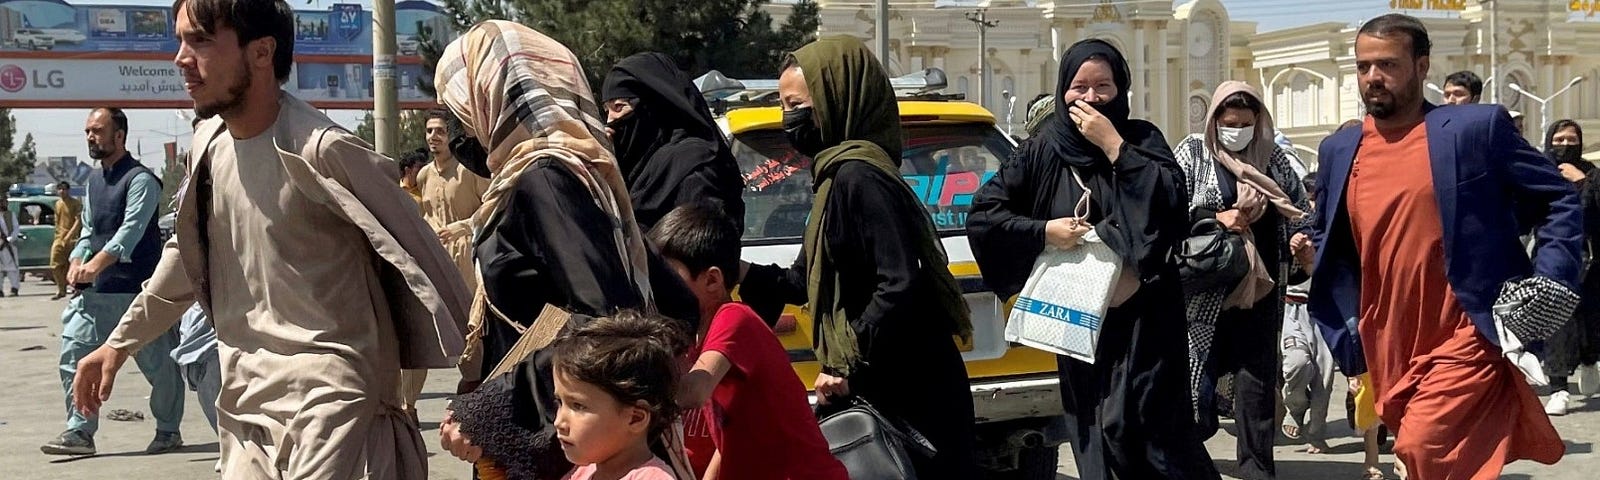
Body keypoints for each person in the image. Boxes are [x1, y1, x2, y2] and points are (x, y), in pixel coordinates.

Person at [70, 1, 472, 477]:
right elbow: (186, 255)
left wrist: (479, 384)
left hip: (332, 413)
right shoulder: (208, 147)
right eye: (179, 40)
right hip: (244, 407)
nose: (180, 57)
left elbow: (426, 264)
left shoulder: (324, 150)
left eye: (199, 40)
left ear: (262, 52)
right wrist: (117, 345)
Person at [1309, 14, 1576, 478]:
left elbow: (1558, 199)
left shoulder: (1474, 129)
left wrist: (1550, 278)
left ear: (1422, 66)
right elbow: (1328, 232)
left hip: (1465, 331)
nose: (1373, 77)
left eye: (1388, 64)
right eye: (1363, 66)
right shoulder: (1340, 149)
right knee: (1430, 462)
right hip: (1387, 340)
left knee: (1422, 449)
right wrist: (1307, 250)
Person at [431, 21, 698, 480]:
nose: (464, 128)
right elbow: (676, 306)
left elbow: (609, 320)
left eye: (463, 110)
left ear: (491, 96)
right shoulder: (583, 173)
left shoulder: (544, 178)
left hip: (552, 446)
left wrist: (494, 405)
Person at [968, 38, 1220, 480]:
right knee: (1098, 431)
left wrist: (1114, 148)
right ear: (1063, 87)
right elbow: (987, 215)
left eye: (1102, 85)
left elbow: (1169, 206)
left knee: (1149, 431)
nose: (1090, 97)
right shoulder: (1043, 149)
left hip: (1147, 325)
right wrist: (1046, 231)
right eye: (1079, 86)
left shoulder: (1142, 139)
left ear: (1121, 89)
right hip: (1081, 323)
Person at [735, 35, 979, 479]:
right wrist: (738, 270)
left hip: (908, 388)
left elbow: (900, 282)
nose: (788, 118)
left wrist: (845, 362)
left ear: (836, 100)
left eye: (796, 104)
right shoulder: (835, 178)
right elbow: (804, 280)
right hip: (880, 379)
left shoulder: (859, 177)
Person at [651, 202, 849, 480]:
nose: (658, 286)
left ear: (712, 280)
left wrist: (626, 391)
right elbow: (727, 434)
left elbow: (693, 392)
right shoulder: (698, 335)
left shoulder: (734, 319)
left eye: (669, 276)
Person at [1174, 81, 1312, 480]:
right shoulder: (1192, 155)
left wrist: (1300, 244)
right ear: (1215, 121)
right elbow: (1167, 211)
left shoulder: (1275, 161)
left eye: (1246, 123)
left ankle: (1257, 469)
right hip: (1206, 291)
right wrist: (1216, 218)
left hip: (1262, 292)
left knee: (1255, 387)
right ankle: (1190, 462)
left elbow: (1299, 211)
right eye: (1230, 123)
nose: (1238, 131)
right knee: (1196, 381)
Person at [41, 107, 187, 456]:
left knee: (160, 366)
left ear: (118, 135)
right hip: (96, 296)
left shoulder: (141, 180)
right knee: (73, 356)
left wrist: (95, 265)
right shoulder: (93, 182)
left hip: (137, 293)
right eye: (88, 131)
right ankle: (79, 432)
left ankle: (168, 429)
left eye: (97, 130)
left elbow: (130, 233)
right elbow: (89, 231)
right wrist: (78, 258)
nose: (91, 137)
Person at [601, 52, 746, 231]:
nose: (609, 121)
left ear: (653, 105)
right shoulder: (640, 170)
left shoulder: (694, 168)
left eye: (618, 107)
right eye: (606, 110)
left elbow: (697, 249)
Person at [408, 108, 489, 423]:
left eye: (439, 131)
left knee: (470, 333)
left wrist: (465, 226)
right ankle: (407, 408)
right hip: (433, 259)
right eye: (429, 131)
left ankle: (477, 400)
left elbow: (493, 204)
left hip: (466, 259)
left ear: (451, 134)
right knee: (422, 333)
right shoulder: (425, 174)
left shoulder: (469, 170)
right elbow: (426, 214)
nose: (433, 137)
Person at [550, 312, 689, 480]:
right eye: (560, 402)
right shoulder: (583, 473)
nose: (559, 422)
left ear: (635, 418)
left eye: (578, 406)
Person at [1541, 119, 1600, 415]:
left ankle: (1590, 360)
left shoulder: (1592, 174)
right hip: (1553, 257)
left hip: (1589, 259)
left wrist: (1582, 183)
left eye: (1571, 140)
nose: (1565, 145)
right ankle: (1559, 387)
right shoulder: (1539, 170)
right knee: (1557, 320)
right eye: (1559, 140)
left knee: (1589, 320)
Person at [51, 181, 84, 300]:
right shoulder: (58, 204)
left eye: (64, 189)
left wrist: (69, 236)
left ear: (68, 190)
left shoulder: (75, 203)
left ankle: (77, 289)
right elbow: (57, 222)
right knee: (55, 265)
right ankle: (61, 289)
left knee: (73, 265)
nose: (62, 191)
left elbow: (78, 221)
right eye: (59, 189)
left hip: (73, 238)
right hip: (59, 238)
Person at [0, 196, 19, 298]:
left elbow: (16, 229)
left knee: (12, 268)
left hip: (9, 246)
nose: (2, 204)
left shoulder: (11, 215)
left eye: (3, 202)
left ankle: (14, 288)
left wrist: (9, 239)